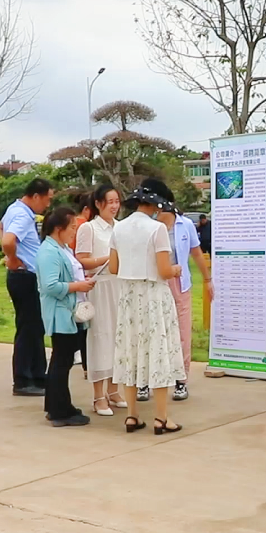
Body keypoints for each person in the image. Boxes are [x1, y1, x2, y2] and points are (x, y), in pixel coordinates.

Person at [109, 186, 186, 435]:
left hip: (129, 295)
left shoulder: (118, 227)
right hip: (153, 294)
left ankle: (132, 415)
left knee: (130, 352)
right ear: (154, 207)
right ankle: (161, 418)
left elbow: (113, 267)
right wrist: (175, 270)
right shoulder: (158, 229)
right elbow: (164, 270)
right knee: (158, 350)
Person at [140, 178, 213, 402]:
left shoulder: (185, 224)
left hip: (180, 284)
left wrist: (207, 280)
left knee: (181, 334)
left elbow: (196, 253)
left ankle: (181, 381)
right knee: (151, 331)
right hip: (154, 282)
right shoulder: (147, 226)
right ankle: (144, 381)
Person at [37, 207, 97, 426]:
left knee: (61, 360)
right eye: (72, 227)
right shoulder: (49, 252)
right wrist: (78, 285)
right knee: (61, 361)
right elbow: (50, 285)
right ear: (58, 228)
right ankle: (60, 410)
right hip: (60, 313)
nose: (74, 231)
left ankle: (57, 406)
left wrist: (82, 280)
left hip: (69, 311)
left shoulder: (61, 249)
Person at [75, 183, 127, 415]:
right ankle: (98, 396)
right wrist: (108, 258)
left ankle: (114, 390)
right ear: (98, 204)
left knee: (119, 337)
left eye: (117, 201)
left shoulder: (121, 227)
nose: (115, 206)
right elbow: (82, 260)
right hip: (100, 287)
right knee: (100, 338)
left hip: (119, 286)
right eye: (110, 201)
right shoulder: (89, 228)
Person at [1, 178, 54, 397]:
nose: (48, 205)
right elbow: (7, 240)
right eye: (47, 200)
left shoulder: (15, 209)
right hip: (25, 276)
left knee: (33, 328)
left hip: (25, 275)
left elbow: (0, 227)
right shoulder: (23, 215)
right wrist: (12, 258)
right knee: (28, 328)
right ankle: (23, 379)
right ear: (35, 196)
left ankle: (37, 375)